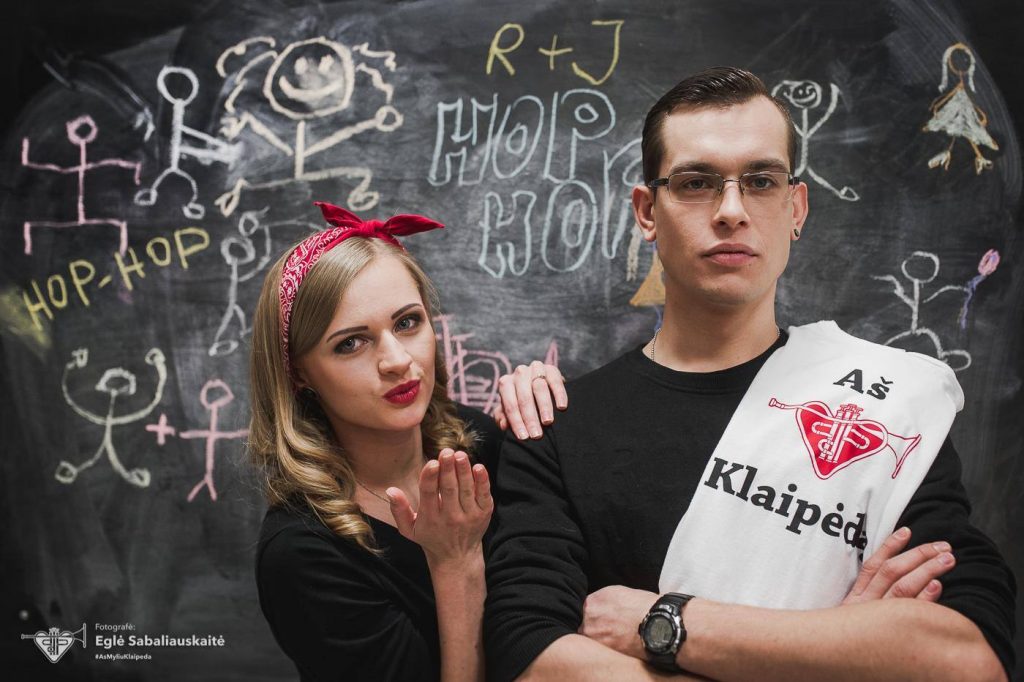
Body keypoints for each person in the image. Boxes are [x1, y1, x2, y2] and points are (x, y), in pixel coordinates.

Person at [484, 68, 1015, 682]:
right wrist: (834, 653)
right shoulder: (555, 426)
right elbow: (528, 656)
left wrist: (664, 623)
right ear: (647, 211)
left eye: (761, 181)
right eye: (696, 183)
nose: (731, 211)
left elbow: (968, 659)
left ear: (796, 208)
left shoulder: (891, 407)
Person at [248, 201, 564, 682]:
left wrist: (548, 420)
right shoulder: (302, 553)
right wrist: (455, 562)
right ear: (300, 374)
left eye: (407, 322)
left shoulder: (480, 442)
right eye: (350, 343)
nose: (397, 359)